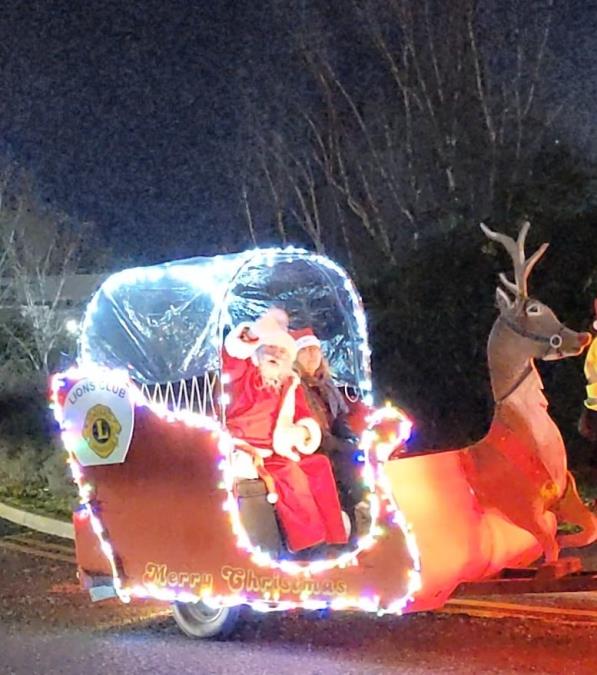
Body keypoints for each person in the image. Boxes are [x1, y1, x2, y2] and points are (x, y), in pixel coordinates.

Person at [222, 308, 348, 553]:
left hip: (278, 449)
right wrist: (250, 335)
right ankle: (308, 546)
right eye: (270, 347)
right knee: (292, 477)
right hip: (245, 451)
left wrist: (302, 433)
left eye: (281, 351)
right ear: (258, 351)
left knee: (319, 465)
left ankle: (334, 538)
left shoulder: (289, 383)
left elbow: (303, 415)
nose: (275, 353)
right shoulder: (244, 376)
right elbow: (233, 357)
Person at [291, 327, 372, 538]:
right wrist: (335, 443)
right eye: (305, 350)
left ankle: (361, 516)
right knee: (340, 465)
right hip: (310, 445)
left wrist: (348, 439)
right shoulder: (294, 386)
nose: (311, 355)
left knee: (359, 458)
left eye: (314, 349)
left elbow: (339, 419)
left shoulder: (327, 385)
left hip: (333, 442)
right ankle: (347, 525)